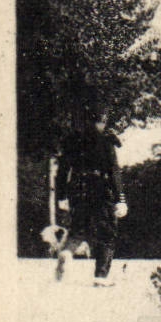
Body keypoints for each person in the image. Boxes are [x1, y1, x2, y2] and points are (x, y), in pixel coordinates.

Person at [55, 111, 126, 285]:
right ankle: (100, 276)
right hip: (101, 188)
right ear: (102, 121)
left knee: (78, 230)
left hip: (78, 187)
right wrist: (120, 198)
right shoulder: (107, 140)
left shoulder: (73, 140)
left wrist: (62, 196)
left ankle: (66, 253)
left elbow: (63, 171)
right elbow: (114, 171)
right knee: (107, 233)